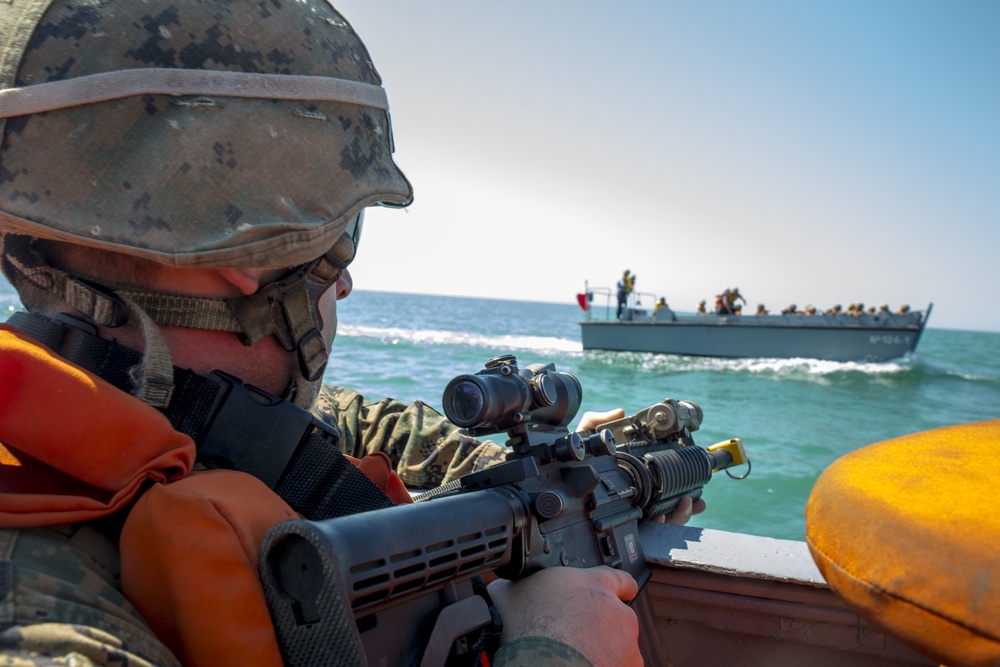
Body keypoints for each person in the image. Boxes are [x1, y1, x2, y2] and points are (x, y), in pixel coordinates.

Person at [0, 2, 703, 666]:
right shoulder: (40, 626)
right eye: (340, 229)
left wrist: (589, 475)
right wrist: (557, 649)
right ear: (256, 245)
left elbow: (360, 428)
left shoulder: (147, 412)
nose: (342, 281)